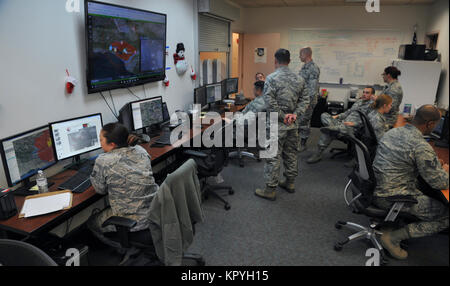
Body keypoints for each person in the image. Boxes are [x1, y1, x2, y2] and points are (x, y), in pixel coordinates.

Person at [372, 105, 449, 260]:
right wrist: (445, 170)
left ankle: (395, 225)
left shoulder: (392, 132)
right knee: (446, 216)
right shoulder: (420, 146)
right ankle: (393, 238)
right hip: (394, 197)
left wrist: (433, 163)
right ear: (430, 124)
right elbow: (440, 183)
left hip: (379, 187)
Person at [88, 123, 159, 242]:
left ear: (112, 144)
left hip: (134, 222)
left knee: (92, 222)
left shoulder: (103, 161)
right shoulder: (140, 150)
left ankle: (122, 249)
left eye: (101, 140)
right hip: (155, 211)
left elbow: (100, 190)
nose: (100, 143)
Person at [254, 49, 309, 200]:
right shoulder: (299, 79)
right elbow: (305, 100)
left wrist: (283, 116)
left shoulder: (271, 78)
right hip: (293, 123)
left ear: (275, 61)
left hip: (275, 123)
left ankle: (270, 189)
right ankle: (290, 183)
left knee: (272, 156)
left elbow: (269, 102)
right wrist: (294, 114)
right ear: (290, 61)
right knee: (291, 153)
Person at [307, 86, 376, 164]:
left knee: (328, 132)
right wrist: (337, 116)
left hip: (353, 128)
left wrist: (354, 123)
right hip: (342, 123)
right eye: (363, 92)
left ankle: (318, 153)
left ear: (372, 95)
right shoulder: (359, 101)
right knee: (324, 115)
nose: (364, 94)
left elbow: (369, 121)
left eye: (367, 93)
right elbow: (348, 112)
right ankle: (334, 128)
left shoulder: (373, 106)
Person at [297, 47, 321, 152]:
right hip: (302, 100)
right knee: (300, 121)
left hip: (308, 101)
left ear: (306, 55)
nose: (299, 56)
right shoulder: (304, 67)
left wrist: (307, 103)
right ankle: (298, 141)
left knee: (304, 121)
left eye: (300, 54)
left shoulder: (313, 68)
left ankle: (303, 143)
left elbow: (313, 88)